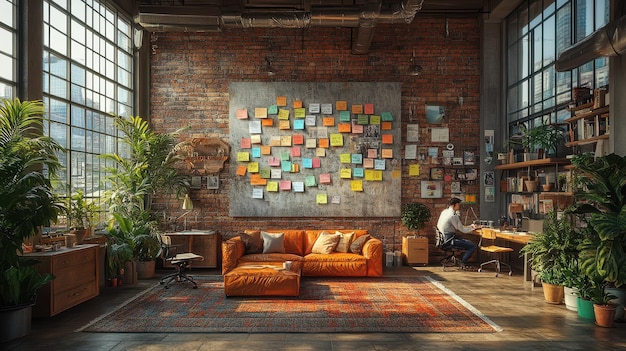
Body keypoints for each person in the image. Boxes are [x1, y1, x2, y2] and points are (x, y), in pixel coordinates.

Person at [436, 197, 481, 267]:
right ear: (454, 205)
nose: (459, 206)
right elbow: (462, 229)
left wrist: (471, 226)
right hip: (450, 240)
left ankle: (460, 259)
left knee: (465, 241)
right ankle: (463, 262)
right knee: (473, 246)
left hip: (444, 239)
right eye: (458, 205)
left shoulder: (444, 212)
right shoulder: (453, 216)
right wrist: (473, 227)